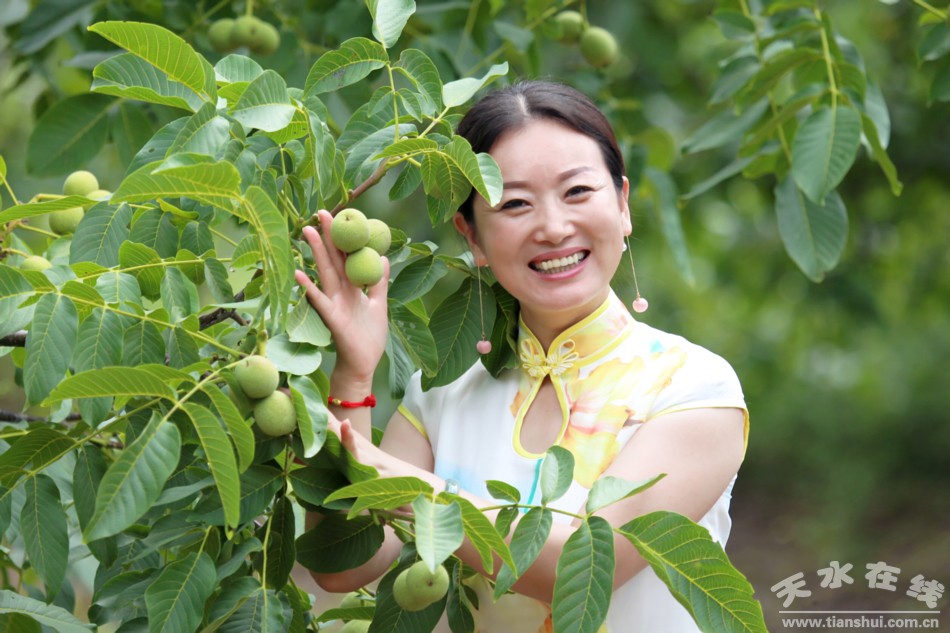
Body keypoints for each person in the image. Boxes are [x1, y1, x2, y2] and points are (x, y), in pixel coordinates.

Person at [294, 80, 748, 633]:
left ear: (623, 205)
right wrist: (354, 370)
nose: (554, 227)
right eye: (514, 204)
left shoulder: (693, 387)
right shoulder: (440, 391)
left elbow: (584, 576)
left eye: (577, 192)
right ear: (473, 237)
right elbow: (344, 567)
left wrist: (425, 497)